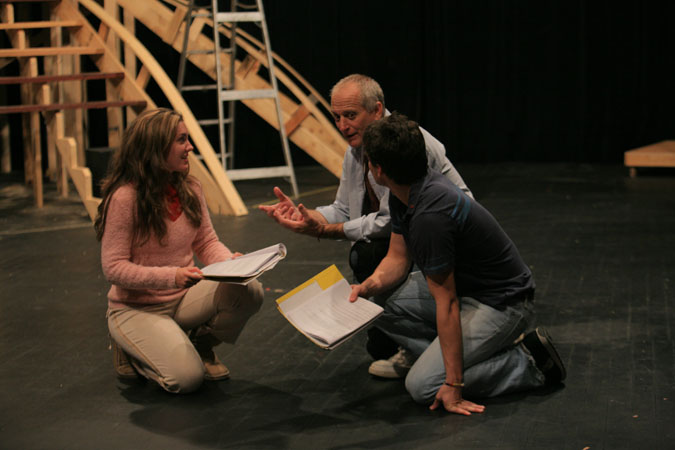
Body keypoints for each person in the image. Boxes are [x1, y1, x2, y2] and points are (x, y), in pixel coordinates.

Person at [348, 112, 566, 415]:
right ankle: (457, 358)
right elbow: (397, 258)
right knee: (372, 304)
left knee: (422, 386)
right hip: (467, 292)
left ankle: (526, 363)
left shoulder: (430, 217)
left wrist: (454, 383)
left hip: (502, 303)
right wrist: (368, 286)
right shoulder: (405, 192)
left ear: (379, 170)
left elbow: (447, 302)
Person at [259, 74, 472, 360]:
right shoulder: (357, 150)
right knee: (377, 337)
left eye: (350, 115)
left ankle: (450, 344)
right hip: (405, 241)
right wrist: (306, 217)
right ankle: (419, 345)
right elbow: (344, 210)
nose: (342, 126)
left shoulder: (406, 144)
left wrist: (324, 231)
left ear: (376, 109)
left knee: (368, 254)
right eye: (336, 117)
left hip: (447, 248)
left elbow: (388, 220)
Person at [94, 108, 263, 394]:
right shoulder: (124, 198)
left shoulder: (191, 188)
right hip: (136, 309)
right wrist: (172, 276)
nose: (190, 147)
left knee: (249, 288)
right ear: (156, 147)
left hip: (183, 299)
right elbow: (114, 268)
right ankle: (131, 350)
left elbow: (206, 242)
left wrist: (230, 264)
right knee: (187, 379)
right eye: (181, 140)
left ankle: (201, 344)